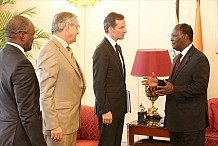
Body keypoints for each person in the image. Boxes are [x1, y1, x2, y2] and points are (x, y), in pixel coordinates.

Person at [143, 23, 210, 146]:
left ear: (185, 37)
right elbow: (175, 82)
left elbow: (201, 86)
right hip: (176, 122)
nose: (171, 39)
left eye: (174, 36)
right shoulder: (177, 58)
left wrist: (174, 89)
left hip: (191, 123)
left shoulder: (199, 58)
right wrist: (158, 82)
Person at [36, 12, 86, 146]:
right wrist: (53, 125)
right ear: (67, 26)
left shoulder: (64, 49)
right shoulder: (50, 50)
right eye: (77, 26)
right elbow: (45, 92)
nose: (78, 31)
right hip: (58, 126)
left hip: (69, 123)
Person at [0, 15, 46, 146]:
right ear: (23, 35)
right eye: (33, 34)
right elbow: (27, 113)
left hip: (3, 133)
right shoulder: (22, 64)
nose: (34, 38)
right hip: (18, 137)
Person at [93, 12, 127, 146]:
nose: (125, 30)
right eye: (121, 27)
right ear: (110, 29)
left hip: (118, 108)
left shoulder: (117, 48)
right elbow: (98, 83)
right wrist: (105, 110)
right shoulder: (102, 50)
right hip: (109, 110)